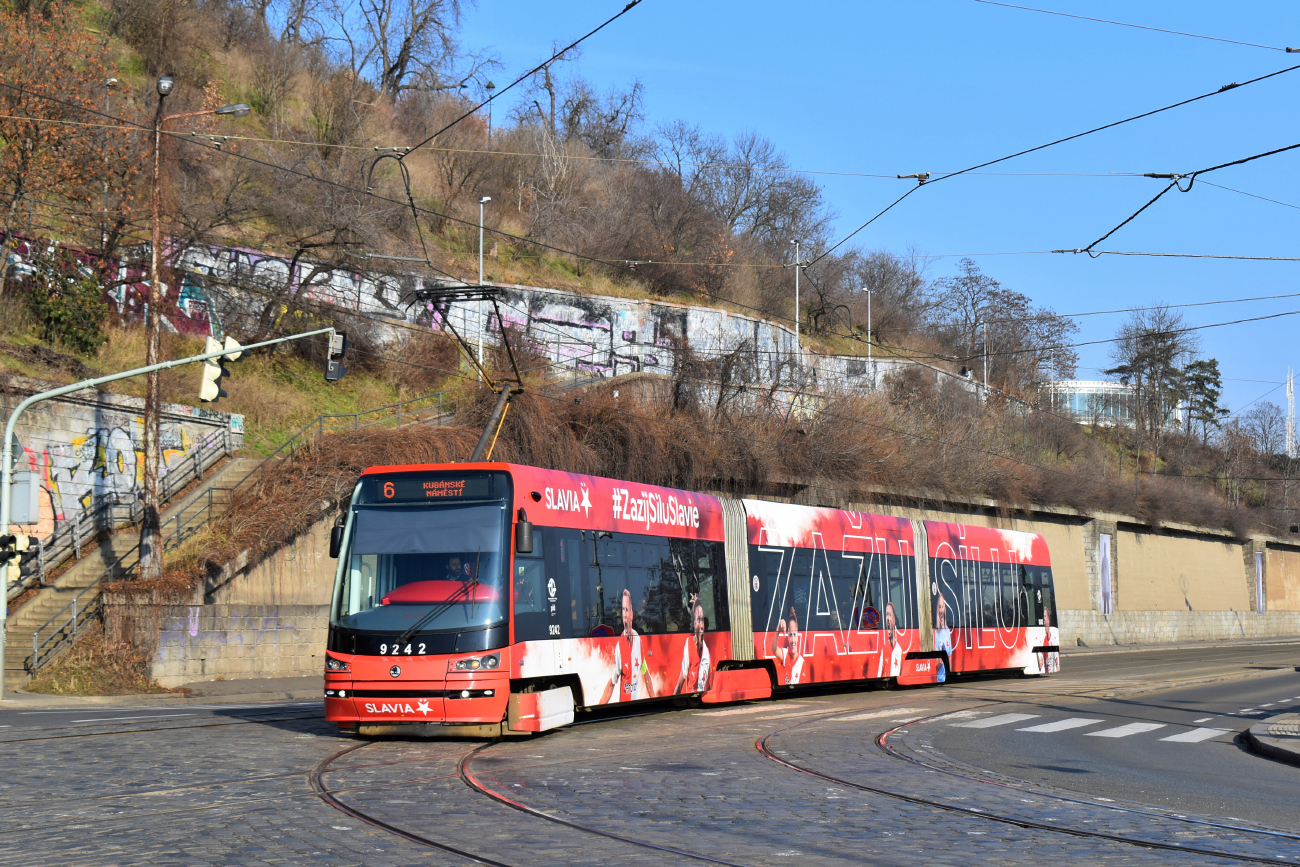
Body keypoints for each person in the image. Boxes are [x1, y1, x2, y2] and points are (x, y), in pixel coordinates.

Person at [600, 589, 652, 703]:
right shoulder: (620, 646)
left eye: (627, 610)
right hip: (624, 702)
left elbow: (645, 672)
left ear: (632, 614)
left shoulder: (638, 640)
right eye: (623, 610)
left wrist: (655, 698)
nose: (624, 614)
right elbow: (611, 684)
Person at [674, 595, 712, 695]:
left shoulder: (706, 652)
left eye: (703, 619)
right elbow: (681, 679)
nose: (702, 624)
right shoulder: (689, 643)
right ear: (694, 623)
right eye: (699, 619)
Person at [773, 606, 805, 686]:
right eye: (790, 635)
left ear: (798, 636)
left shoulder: (801, 662)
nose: (793, 640)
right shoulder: (785, 653)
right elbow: (774, 649)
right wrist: (778, 628)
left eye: (794, 634)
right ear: (787, 637)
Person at [877, 602, 903, 678]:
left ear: (894, 621)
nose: (887, 618)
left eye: (889, 614)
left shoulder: (899, 649)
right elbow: (879, 672)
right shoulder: (884, 648)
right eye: (886, 615)